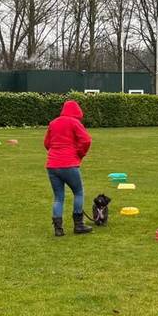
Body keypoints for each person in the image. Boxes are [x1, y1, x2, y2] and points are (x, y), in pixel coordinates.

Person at [44, 99, 93, 236]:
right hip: (69, 164)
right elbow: (86, 140)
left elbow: (47, 143)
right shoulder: (75, 122)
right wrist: (80, 153)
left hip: (52, 165)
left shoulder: (53, 123)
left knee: (58, 197)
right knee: (78, 192)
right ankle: (79, 225)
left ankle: (58, 228)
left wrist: (55, 152)